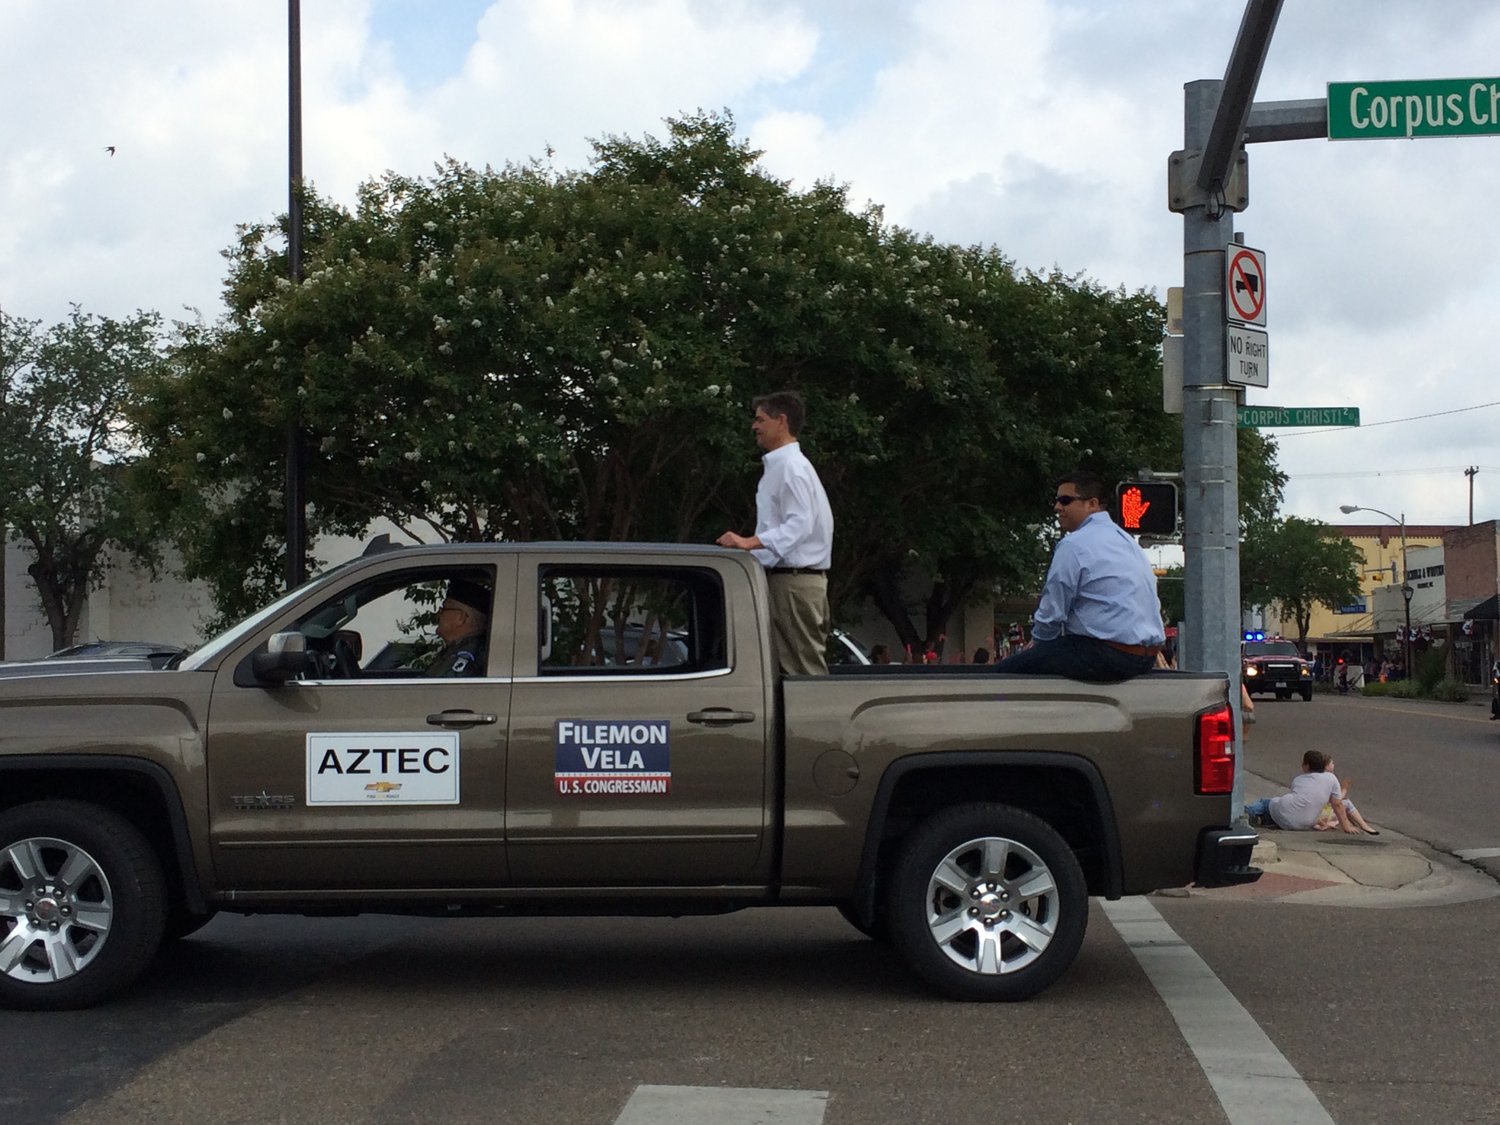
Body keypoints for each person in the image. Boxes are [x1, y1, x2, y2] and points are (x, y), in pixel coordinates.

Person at [992, 471, 1165, 683]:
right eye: (1056, 501)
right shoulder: (1126, 542)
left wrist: (1039, 643)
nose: (1057, 507)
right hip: (1145, 657)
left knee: (1000, 675)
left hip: (1107, 654)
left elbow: (1053, 609)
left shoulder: (1075, 544)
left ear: (1092, 504)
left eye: (1065, 500)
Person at [717, 390, 834, 676]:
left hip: (795, 584)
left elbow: (800, 524)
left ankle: (814, 722)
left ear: (781, 421)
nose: (754, 426)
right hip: (789, 582)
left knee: (802, 671)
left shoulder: (792, 468)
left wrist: (749, 542)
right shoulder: (782, 467)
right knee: (787, 669)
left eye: (760, 419)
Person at [1245, 750, 1364, 834]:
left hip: (1285, 815)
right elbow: (1337, 804)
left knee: (1265, 802)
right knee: (1280, 810)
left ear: (1306, 766)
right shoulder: (1331, 779)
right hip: (1305, 823)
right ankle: (1261, 819)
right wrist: (1346, 827)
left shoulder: (1299, 779)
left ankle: (1246, 812)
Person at [423, 578, 490, 677]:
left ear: (461, 618)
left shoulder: (467, 655)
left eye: (444, 610)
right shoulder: (460, 648)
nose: (438, 614)